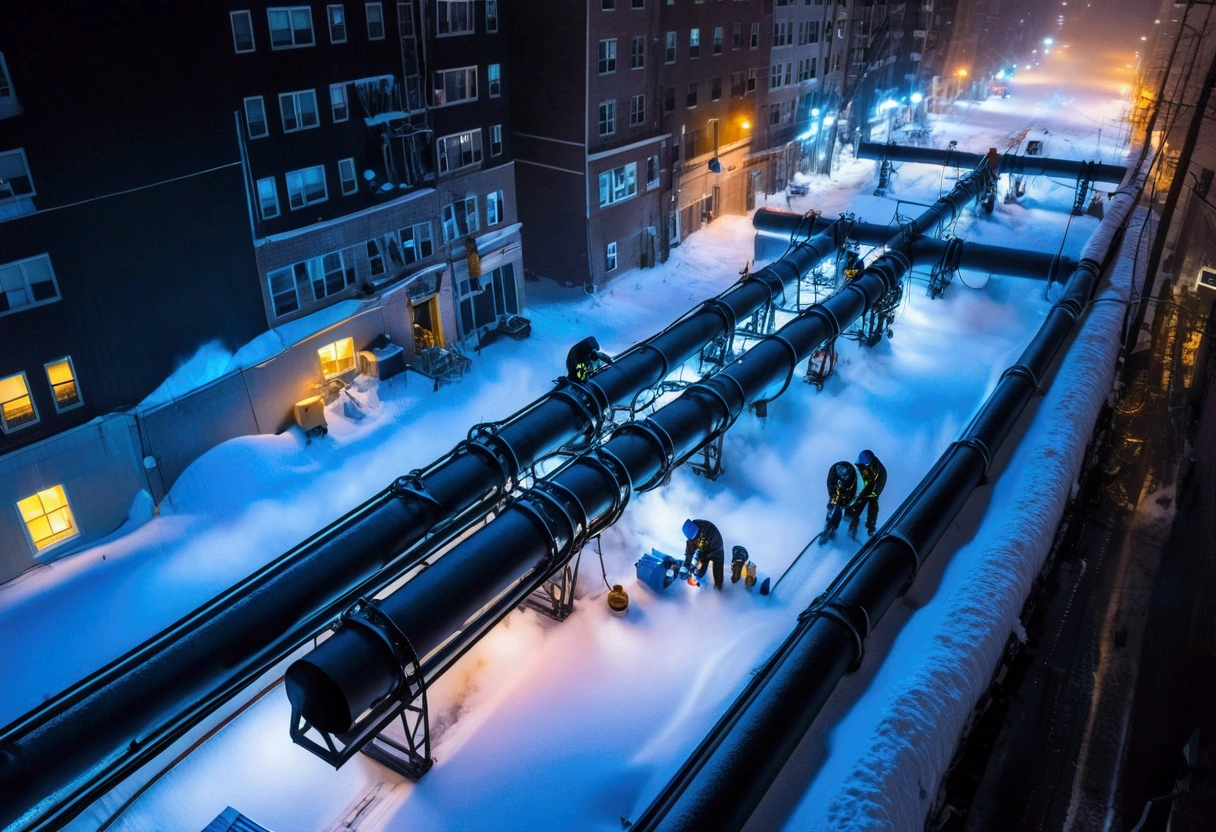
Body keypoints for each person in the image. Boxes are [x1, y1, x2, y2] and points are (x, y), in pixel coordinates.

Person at [849, 449, 887, 538]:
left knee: (872, 504)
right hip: (863, 489)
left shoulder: (880, 471)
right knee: (857, 504)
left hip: (871, 491)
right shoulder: (862, 464)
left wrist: (873, 494)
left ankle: (870, 528)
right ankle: (853, 522)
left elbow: (880, 483)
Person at [821, 461, 860, 543]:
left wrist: (846, 502)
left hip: (850, 494)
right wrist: (833, 497)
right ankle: (828, 527)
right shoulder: (833, 473)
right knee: (834, 506)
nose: (843, 476)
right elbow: (830, 485)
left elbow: (855, 492)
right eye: (841, 473)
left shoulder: (854, 478)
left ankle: (851, 523)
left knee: (850, 506)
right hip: (838, 490)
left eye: (845, 475)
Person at [682, 518, 725, 590]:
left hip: (717, 549)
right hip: (703, 549)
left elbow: (704, 555)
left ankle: (718, 589)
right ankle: (697, 579)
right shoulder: (691, 530)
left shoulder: (711, 533)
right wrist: (686, 565)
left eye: (696, 538)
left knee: (718, 572)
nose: (694, 541)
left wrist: (700, 561)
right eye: (693, 540)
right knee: (699, 571)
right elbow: (690, 550)